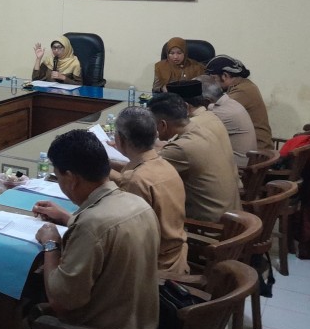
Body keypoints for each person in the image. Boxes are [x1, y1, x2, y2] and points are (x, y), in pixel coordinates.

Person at [0, 129, 159, 329]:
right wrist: (68, 218)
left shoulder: (91, 225)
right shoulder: (137, 204)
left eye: (58, 177)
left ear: (71, 179)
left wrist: (51, 244)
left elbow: (60, 302)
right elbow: (106, 236)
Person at [110, 106, 189, 275]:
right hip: (176, 256)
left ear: (119, 140)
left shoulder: (136, 180)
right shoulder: (165, 165)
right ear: (156, 134)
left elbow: (127, 238)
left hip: (154, 269)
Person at [148, 90, 241, 223]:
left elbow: (142, 172)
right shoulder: (201, 130)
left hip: (209, 227)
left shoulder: (181, 148)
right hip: (231, 216)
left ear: (163, 125)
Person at [204, 55, 273, 151]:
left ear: (225, 76)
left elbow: (215, 114)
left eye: (213, 79)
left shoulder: (243, 91)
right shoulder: (244, 85)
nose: (212, 84)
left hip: (257, 152)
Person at [197, 74, 256, 167]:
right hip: (244, 162)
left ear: (207, 100)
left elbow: (192, 133)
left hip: (238, 169)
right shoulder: (230, 102)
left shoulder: (220, 113)